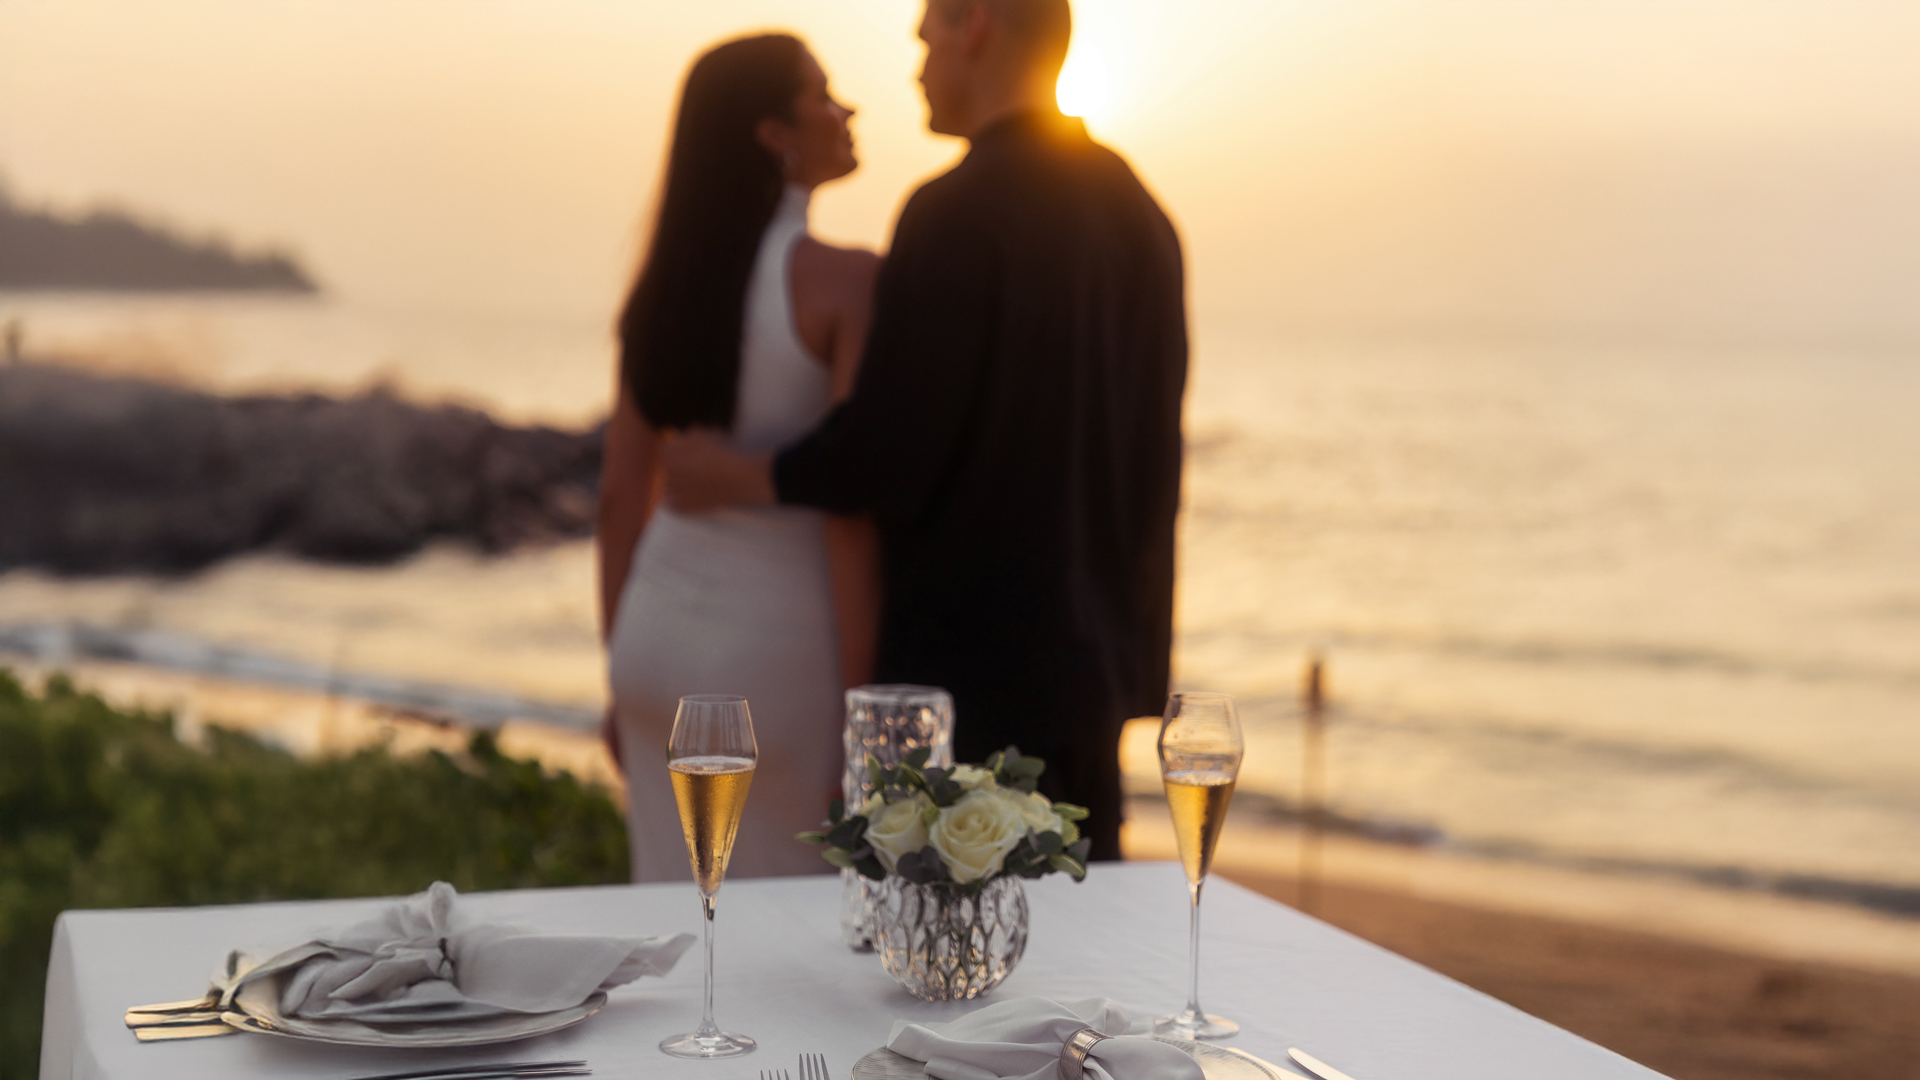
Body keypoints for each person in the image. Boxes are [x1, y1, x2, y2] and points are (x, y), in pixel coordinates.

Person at [662, 0, 1188, 861]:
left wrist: (741, 476)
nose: (914, 69)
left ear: (974, 25)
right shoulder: (1143, 217)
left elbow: (887, 457)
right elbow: (1154, 472)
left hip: (965, 692)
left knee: (941, 976)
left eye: (923, 39)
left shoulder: (956, 213)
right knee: (1080, 966)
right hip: (1092, 684)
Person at [598, 33, 882, 882]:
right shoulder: (844, 283)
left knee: (675, 917)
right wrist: (864, 723)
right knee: (786, 944)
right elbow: (849, 508)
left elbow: (620, 495)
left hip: (653, 642)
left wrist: (619, 672)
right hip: (776, 660)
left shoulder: (664, 288)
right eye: (824, 93)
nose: (847, 109)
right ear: (772, 131)